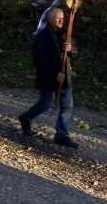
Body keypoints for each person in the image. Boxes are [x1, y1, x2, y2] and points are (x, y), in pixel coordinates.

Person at [18, 8, 79, 148]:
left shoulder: (66, 34)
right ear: (51, 18)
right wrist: (54, 74)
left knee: (67, 106)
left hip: (65, 77)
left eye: (62, 18)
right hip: (49, 77)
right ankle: (26, 118)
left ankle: (61, 135)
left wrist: (71, 49)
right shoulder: (42, 36)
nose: (61, 21)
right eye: (58, 18)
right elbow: (39, 60)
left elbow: (75, 54)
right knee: (45, 104)